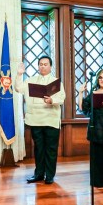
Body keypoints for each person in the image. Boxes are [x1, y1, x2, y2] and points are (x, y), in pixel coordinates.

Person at [14, 56, 66, 184]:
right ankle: (38, 174)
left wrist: (51, 100)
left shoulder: (56, 82)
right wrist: (19, 74)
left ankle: (49, 175)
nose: (43, 66)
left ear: (50, 66)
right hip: (35, 120)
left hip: (51, 120)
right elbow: (18, 88)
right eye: (41, 64)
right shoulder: (31, 81)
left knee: (51, 149)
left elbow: (62, 98)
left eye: (45, 64)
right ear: (38, 66)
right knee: (39, 149)